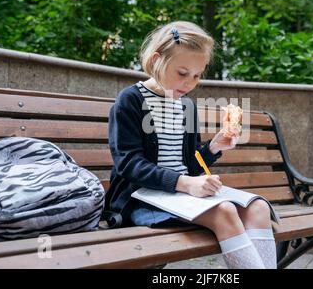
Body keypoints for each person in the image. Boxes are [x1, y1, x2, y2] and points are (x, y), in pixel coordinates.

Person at [104, 21, 276, 269]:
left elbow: (192, 166)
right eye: (182, 73)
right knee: (225, 211)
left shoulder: (187, 106)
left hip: (182, 195)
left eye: (197, 76)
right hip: (142, 198)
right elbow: (129, 164)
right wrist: (185, 183)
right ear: (155, 61)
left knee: (259, 207)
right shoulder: (130, 100)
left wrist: (214, 147)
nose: (189, 83)